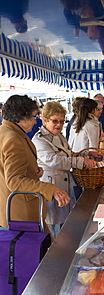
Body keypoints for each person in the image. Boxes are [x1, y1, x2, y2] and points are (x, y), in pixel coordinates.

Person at [0, 95, 70, 231]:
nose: (35, 121)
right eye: (33, 117)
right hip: (20, 213)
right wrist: (51, 189)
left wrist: (32, 170)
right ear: (21, 117)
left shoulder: (5, 132)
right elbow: (14, 181)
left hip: (9, 208)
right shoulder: (13, 138)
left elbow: (6, 168)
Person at [32, 101, 96, 238]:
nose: (59, 125)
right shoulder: (39, 140)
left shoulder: (59, 136)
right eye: (55, 121)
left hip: (65, 185)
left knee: (65, 224)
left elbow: (68, 154)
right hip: (52, 187)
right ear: (44, 119)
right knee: (54, 226)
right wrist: (81, 161)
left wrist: (86, 154)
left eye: (62, 121)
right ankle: (54, 254)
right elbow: (55, 161)